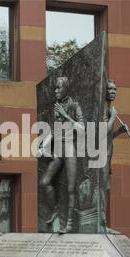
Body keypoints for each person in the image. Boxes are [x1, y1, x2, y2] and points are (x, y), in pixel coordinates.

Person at [38, 76, 84, 233]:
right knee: (44, 182)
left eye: (58, 87)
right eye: (55, 88)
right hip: (57, 148)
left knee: (71, 188)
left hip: (70, 148)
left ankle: (68, 223)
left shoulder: (74, 105)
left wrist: (66, 115)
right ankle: (56, 208)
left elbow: (83, 128)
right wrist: (43, 146)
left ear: (66, 89)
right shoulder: (55, 106)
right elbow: (53, 129)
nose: (55, 90)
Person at [100, 79, 129, 233]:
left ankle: (102, 224)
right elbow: (102, 133)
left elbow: (108, 136)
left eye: (115, 89)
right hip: (100, 157)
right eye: (110, 89)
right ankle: (102, 225)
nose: (113, 92)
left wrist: (119, 131)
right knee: (103, 188)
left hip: (107, 155)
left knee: (106, 188)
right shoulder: (102, 109)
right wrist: (112, 117)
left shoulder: (108, 108)